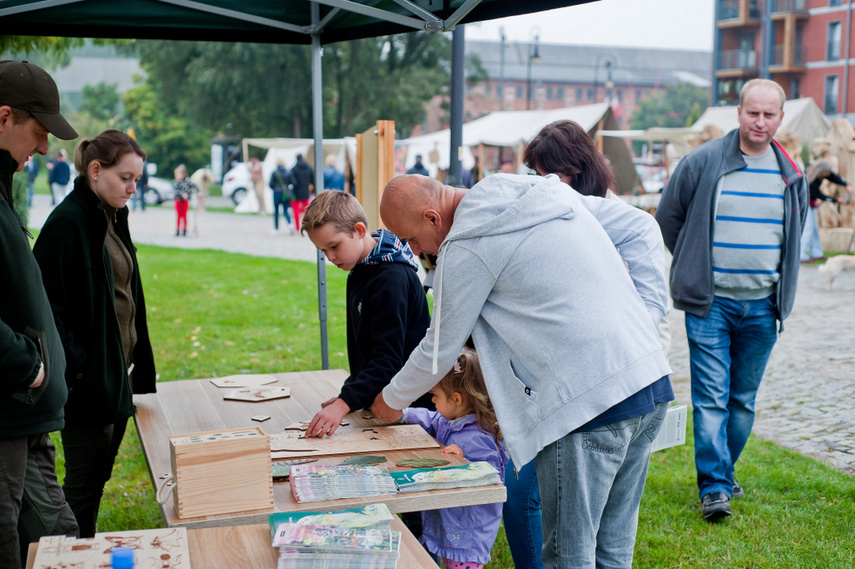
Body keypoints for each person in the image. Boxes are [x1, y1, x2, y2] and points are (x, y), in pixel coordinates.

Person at [372, 173, 671, 569]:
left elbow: (437, 350)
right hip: (647, 378)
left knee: (570, 557)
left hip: (587, 403)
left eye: (410, 238)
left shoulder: (467, 244)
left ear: (432, 218)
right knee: (612, 550)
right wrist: (645, 319)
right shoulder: (534, 192)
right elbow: (639, 224)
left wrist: (389, 402)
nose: (413, 250)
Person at [494, 118, 674, 569]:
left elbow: (650, 311)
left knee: (587, 545)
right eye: (534, 175)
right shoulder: (544, 219)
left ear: (579, 169)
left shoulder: (627, 224)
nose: (542, 185)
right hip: (568, 393)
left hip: (613, 393)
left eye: (551, 174)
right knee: (543, 508)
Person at [655, 78, 808, 521]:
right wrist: (693, 260)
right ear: (738, 113)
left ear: (781, 118)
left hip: (763, 307)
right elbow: (668, 218)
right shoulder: (703, 162)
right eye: (752, 113)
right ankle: (715, 488)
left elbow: (794, 237)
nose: (760, 122)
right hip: (711, 305)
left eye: (769, 115)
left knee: (742, 402)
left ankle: (725, 471)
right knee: (711, 399)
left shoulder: (789, 173)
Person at [33, 130, 157, 538]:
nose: (132, 188)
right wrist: (80, 369)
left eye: (137, 179)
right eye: (125, 178)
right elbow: (46, 311)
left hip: (114, 377)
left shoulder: (111, 217)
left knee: (94, 483)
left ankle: (78, 550)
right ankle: (69, 556)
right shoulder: (68, 224)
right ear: (95, 170)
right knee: (81, 491)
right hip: (89, 385)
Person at [0, 58, 79, 569]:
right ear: (3, 116)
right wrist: (27, 364)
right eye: (38, 131)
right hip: (7, 408)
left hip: (26, 415)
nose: (46, 147)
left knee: (60, 541)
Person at [302, 190, 433, 440]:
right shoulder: (361, 269)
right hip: (381, 403)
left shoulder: (391, 279)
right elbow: (368, 352)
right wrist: (350, 396)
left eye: (334, 246)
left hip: (412, 411)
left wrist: (344, 404)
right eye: (323, 251)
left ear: (360, 230)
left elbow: (389, 361)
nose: (330, 257)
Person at [400, 348, 508, 568]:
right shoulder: (450, 419)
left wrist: (466, 465)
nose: (432, 400)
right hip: (452, 527)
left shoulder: (478, 437)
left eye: (435, 396)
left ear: (457, 399)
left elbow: (492, 479)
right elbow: (431, 419)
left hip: (467, 537)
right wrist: (404, 414)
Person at [801, 160, 853, 262]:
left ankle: (816, 253)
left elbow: (833, 177)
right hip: (804, 203)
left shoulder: (823, 175)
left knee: (814, 229)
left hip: (811, 203)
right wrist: (837, 200)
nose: (829, 174)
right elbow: (820, 196)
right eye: (827, 172)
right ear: (822, 171)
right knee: (808, 229)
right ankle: (800, 255)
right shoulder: (811, 180)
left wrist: (846, 185)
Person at [290, 153, 314, 232]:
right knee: (306, 211)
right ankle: (307, 227)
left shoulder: (293, 169)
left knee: (296, 211)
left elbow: (293, 182)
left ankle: (297, 228)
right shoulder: (309, 168)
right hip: (305, 192)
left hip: (296, 193)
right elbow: (312, 180)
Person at [173, 164, 197, 237]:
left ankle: (184, 230)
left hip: (185, 201)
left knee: (184, 216)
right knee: (179, 216)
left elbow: (194, 187)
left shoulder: (187, 181)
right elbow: (176, 190)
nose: (177, 176)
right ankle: (177, 230)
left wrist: (199, 193)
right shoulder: (176, 182)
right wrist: (182, 194)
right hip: (178, 201)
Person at [269, 159, 292, 234]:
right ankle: (290, 224)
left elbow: (270, 184)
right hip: (285, 193)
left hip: (276, 193)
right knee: (285, 210)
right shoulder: (288, 172)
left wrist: (275, 188)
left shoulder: (274, 173)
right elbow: (292, 182)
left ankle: (276, 229)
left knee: (276, 211)